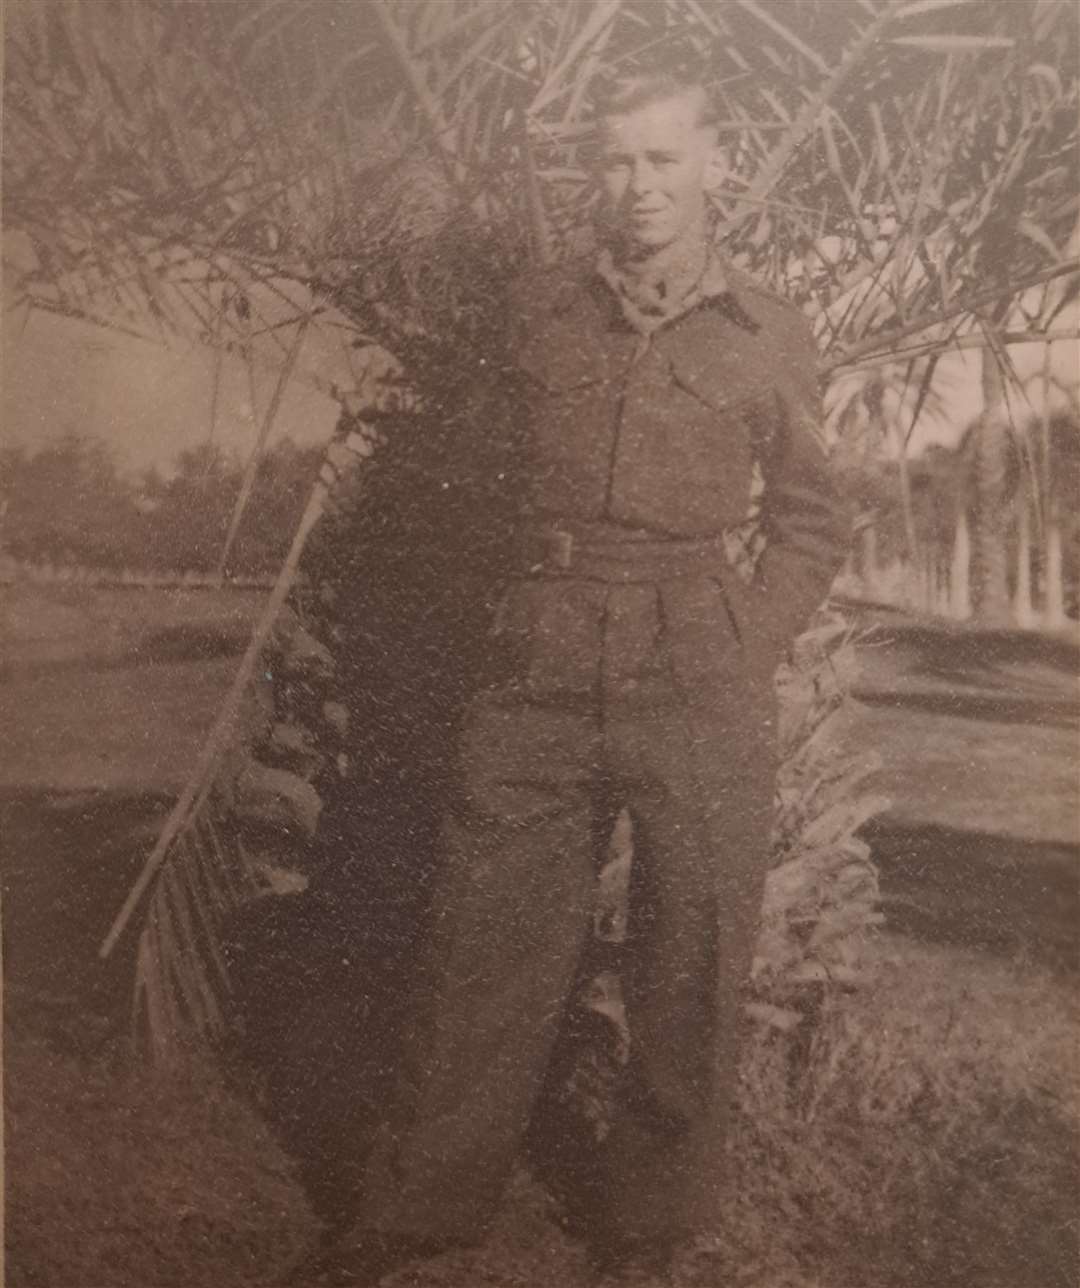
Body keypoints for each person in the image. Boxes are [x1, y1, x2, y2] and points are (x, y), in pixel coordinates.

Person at [289, 45, 848, 1288]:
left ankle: (646, 1226)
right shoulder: (540, 311)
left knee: (693, 945)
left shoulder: (768, 334)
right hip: (535, 654)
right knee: (480, 935)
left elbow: (812, 517)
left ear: (717, 166)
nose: (640, 185)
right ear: (593, 174)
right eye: (616, 160)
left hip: (696, 658)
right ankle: (421, 1207)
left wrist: (745, 640)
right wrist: (507, 613)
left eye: (664, 159)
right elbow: (472, 482)